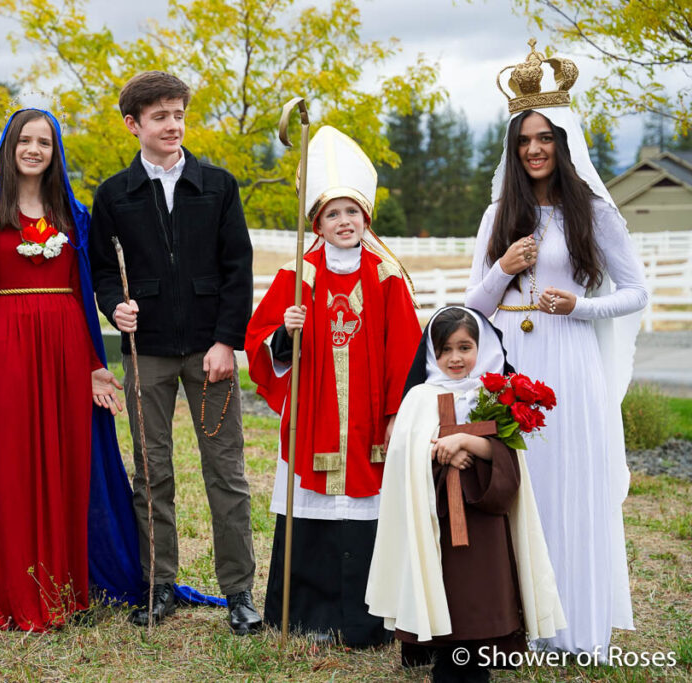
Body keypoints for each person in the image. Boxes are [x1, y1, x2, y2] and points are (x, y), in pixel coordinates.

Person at [463, 42, 647, 655]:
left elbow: (636, 293)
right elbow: (472, 310)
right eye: (524, 140)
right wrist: (504, 268)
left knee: (572, 484)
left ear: (564, 143)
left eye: (545, 137)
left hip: (571, 360)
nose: (535, 148)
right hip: (513, 362)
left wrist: (580, 307)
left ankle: (570, 625)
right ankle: (511, 621)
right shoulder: (499, 214)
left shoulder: (592, 212)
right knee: (520, 484)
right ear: (513, 150)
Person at [0, 108, 143, 631]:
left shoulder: (73, 215)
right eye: (25, 140)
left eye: (44, 142)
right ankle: (18, 591)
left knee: (65, 462)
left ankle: (66, 591)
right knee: (14, 463)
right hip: (8, 343)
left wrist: (94, 364)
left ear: (55, 152)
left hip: (66, 343)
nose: (33, 149)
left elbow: (82, 291)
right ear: (9, 146)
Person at [87, 71, 260, 633]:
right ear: (133, 124)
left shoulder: (218, 183)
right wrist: (116, 307)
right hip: (147, 353)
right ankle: (159, 584)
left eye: (178, 114)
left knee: (226, 473)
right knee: (152, 470)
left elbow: (238, 268)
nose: (172, 125)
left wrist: (226, 342)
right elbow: (101, 273)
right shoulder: (115, 194)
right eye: (159, 116)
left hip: (209, 349)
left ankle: (238, 592)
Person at [245, 126, 420, 646]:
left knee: (369, 516)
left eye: (352, 212)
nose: (344, 222)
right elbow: (260, 344)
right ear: (316, 223)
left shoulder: (386, 274)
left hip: (369, 419)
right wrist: (285, 333)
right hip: (314, 418)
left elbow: (405, 350)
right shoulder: (297, 273)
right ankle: (307, 618)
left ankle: (369, 623)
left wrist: (396, 414)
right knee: (310, 513)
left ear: (366, 217)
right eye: (332, 214)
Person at [366, 306, 566, 682]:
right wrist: (440, 449)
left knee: (483, 582)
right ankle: (444, 653)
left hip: (484, 515)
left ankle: (481, 651)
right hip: (436, 513)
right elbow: (404, 456)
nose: (455, 358)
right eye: (444, 350)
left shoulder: (492, 396)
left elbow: (507, 454)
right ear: (431, 353)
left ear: (480, 346)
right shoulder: (420, 398)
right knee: (442, 580)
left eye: (464, 347)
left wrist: (464, 441)